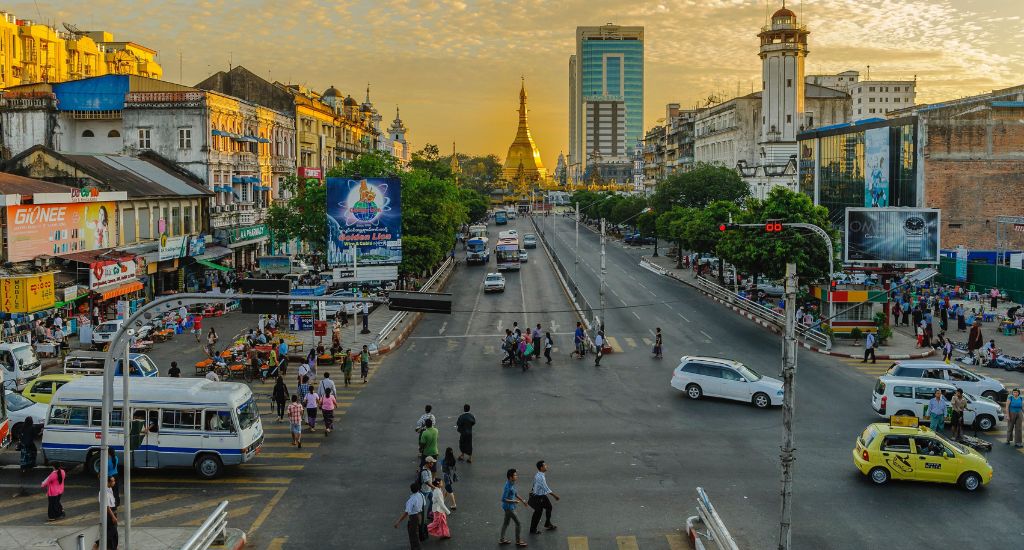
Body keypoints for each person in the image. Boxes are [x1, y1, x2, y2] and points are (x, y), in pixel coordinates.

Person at [500, 468, 530, 547]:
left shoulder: (512, 483)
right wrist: (514, 501)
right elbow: (503, 499)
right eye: (515, 475)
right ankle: (518, 541)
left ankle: (502, 539)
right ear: (510, 477)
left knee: (506, 523)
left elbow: (515, 493)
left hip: (508, 507)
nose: (517, 476)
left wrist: (522, 500)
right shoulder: (508, 487)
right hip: (509, 508)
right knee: (518, 523)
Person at [528, 460, 559, 534]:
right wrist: (555, 496)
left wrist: (532, 490)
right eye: (545, 465)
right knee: (538, 513)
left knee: (549, 507)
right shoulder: (540, 477)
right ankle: (533, 529)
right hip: (538, 497)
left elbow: (534, 483)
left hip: (541, 495)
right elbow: (546, 488)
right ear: (541, 468)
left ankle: (547, 523)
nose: (546, 466)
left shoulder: (539, 474)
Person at [394, 482, 426, 550]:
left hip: (414, 517)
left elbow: (406, 512)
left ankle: (416, 548)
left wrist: (398, 522)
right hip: (420, 514)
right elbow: (424, 504)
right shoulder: (421, 495)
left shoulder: (411, 500)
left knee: (413, 534)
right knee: (416, 532)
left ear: (411, 490)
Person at [92, 476, 118, 550]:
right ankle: (98, 543)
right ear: (108, 482)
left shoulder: (110, 489)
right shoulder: (103, 492)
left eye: (114, 480)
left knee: (113, 532)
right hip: (109, 514)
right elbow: (106, 506)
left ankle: (113, 547)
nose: (114, 482)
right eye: (113, 481)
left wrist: (115, 514)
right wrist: (113, 516)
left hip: (113, 512)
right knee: (112, 531)